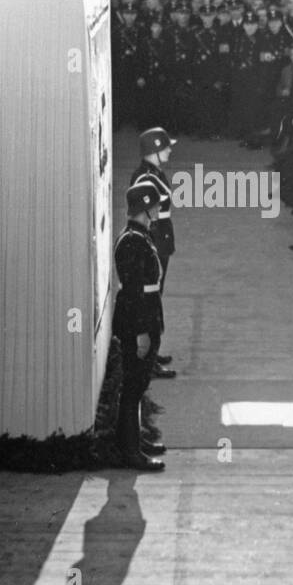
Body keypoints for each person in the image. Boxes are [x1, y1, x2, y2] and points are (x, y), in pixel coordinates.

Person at [111, 182, 169, 472]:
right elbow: (134, 293)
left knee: (137, 384)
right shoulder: (134, 241)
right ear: (145, 207)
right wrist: (142, 333)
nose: (158, 209)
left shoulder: (139, 236)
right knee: (133, 387)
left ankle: (135, 442)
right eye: (155, 204)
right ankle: (130, 452)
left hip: (145, 318)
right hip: (138, 323)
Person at [131, 127, 179, 378]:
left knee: (154, 300)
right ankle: (148, 360)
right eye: (166, 146)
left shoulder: (153, 173)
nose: (170, 150)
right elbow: (142, 216)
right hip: (154, 241)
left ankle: (151, 352)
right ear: (154, 150)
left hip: (160, 239)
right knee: (149, 304)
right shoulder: (146, 178)